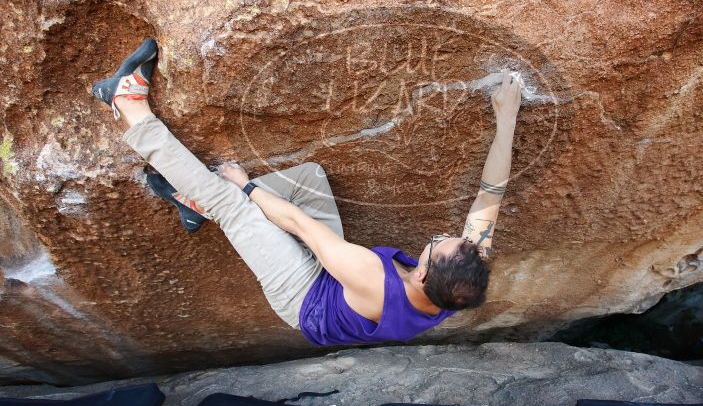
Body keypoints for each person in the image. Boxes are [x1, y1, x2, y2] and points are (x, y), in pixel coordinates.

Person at [92, 38, 522, 346]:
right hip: (336, 279)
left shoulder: (371, 278)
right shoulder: (459, 279)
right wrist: (507, 119)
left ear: (424, 275)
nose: (437, 237)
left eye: (433, 246)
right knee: (310, 177)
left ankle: (128, 107)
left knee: (231, 204)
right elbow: (491, 193)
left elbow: (297, 222)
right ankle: (192, 201)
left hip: (302, 296)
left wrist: (244, 185)